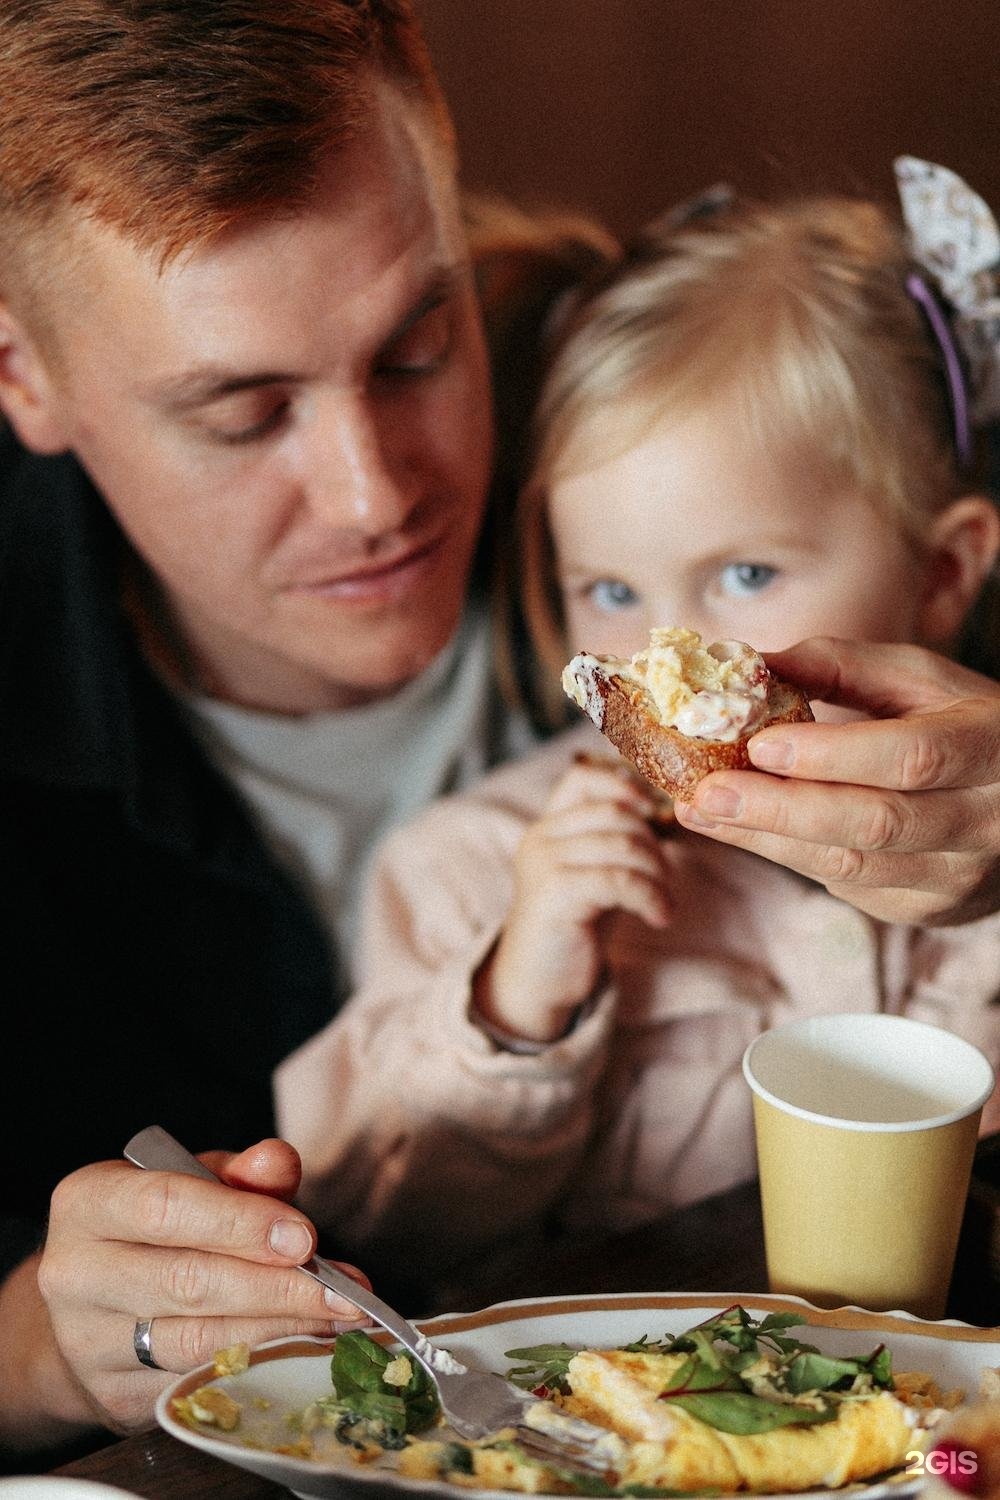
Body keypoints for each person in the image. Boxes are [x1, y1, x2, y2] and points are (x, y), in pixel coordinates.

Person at [0, 0, 998, 1459]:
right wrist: (35, 1343)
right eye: (241, 412)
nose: (375, 496)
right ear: (22, 375)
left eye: (416, 348)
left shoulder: (668, 405)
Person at [276, 189, 1000, 1287]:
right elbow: (374, 1238)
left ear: (943, 571)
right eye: (609, 589)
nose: (667, 648)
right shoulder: (476, 870)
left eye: (746, 573)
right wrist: (515, 1006)